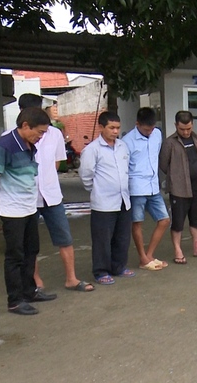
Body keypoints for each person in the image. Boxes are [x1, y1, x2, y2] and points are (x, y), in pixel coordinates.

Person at [14, 94, 94, 292]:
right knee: (30, 243)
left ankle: (71, 279)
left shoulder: (54, 134)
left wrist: (46, 178)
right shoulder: (13, 137)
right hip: (27, 198)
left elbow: (57, 163)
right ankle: (36, 281)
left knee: (64, 237)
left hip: (51, 195)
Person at [0, 108, 56, 315]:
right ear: (26, 125)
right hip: (12, 210)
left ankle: (30, 291)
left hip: (29, 207)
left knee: (31, 251)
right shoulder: (5, 145)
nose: (41, 136)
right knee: (15, 256)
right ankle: (15, 301)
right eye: (40, 132)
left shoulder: (29, 144)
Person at [79, 112, 135, 285]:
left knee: (122, 237)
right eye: (111, 128)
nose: (115, 131)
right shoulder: (92, 150)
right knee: (103, 239)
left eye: (118, 128)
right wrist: (97, 190)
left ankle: (118, 266)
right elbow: (86, 176)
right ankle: (101, 271)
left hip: (123, 200)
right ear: (101, 127)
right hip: (103, 203)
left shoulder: (122, 146)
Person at [159, 110, 197, 264]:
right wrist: (175, 177)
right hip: (179, 189)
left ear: (192, 125)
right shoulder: (170, 143)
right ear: (175, 125)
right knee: (177, 221)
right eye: (182, 129)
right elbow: (163, 165)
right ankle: (178, 249)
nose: (185, 132)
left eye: (188, 128)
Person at [122, 107, 171, 271]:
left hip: (153, 186)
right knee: (137, 223)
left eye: (151, 128)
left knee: (164, 220)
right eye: (146, 129)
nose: (149, 132)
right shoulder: (128, 141)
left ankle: (149, 255)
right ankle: (142, 257)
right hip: (136, 188)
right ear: (137, 124)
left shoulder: (157, 134)